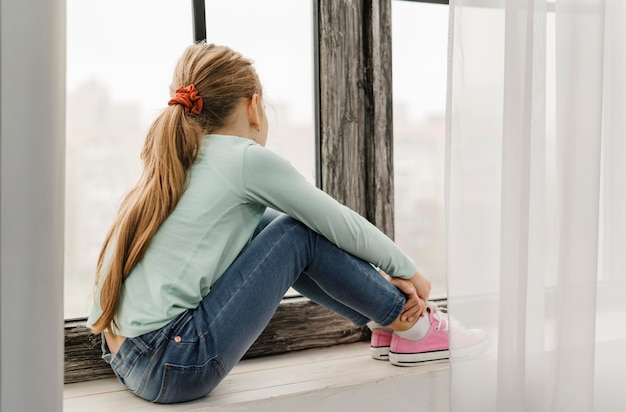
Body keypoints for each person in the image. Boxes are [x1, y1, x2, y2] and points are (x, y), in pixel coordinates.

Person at [87, 42, 480, 404]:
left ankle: (385, 320)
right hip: (175, 363)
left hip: (130, 360)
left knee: (266, 225)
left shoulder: (177, 159)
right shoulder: (242, 158)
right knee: (297, 231)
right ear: (253, 107)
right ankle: (412, 325)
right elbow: (337, 222)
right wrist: (406, 268)